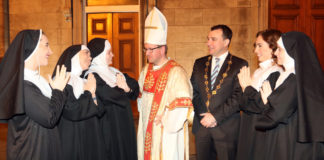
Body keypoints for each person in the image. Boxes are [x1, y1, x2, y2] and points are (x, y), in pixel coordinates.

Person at [247, 31, 324, 160]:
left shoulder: (294, 78)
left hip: (290, 140)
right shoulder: (296, 75)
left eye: (280, 50)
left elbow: (277, 115)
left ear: (292, 52)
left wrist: (267, 102)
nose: (276, 53)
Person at [0, 29, 70, 160]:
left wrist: (57, 91)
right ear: (32, 48)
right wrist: (58, 91)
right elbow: (49, 117)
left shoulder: (38, 80)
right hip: (30, 152)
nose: (51, 52)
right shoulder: (23, 85)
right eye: (46, 45)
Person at [137, 7, 193, 160]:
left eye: (150, 49)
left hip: (165, 134)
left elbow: (183, 105)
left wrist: (167, 116)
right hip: (146, 131)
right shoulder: (145, 71)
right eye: (145, 49)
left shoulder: (176, 72)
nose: (146, 53)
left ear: (162, 49)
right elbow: (140, 101)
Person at [190, 24, 248, 160]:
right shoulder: (199, 63)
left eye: (213, 39)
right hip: (202, 127)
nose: (208, 43)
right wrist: (204, 117)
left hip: (226, 129)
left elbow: (238, 96)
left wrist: (215, 116)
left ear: (226, 42)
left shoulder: (239, 64)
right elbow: (193, 91)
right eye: (208, 39)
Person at [86, 38, 139, 160]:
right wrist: (125, 89)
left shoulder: (115, 72)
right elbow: (109, 95)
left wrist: (127, 88)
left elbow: (135, 87)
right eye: (109, 52)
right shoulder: (91, 75)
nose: (113, 55)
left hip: (124, 125)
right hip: (108, 126)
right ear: (99, 55)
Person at [53, 45, 106, 160]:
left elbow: (100, 110)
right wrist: (88, 92)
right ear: (74, 56)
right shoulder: (63, 81)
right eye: (86, 53)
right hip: (72, 137)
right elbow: (72, 110)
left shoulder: (84, 80)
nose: (90, 57)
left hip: (91, 135)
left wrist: (92, 94)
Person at [236, 29, 282, 160]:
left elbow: (262, 106)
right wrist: (245, 90)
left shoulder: (276, 72)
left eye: (260, 45)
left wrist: (247, 88)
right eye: (255, 46)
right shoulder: (257, 72)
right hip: (248, 126)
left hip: (260, 130)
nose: (256, 51)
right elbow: (243, 104)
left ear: (273, 47)